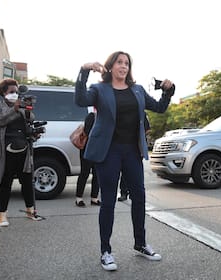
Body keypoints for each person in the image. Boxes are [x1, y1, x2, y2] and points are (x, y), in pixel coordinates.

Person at [75, 51, 175, 271]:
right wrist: (84, 71)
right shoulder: (99, 89)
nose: (123, 66)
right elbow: (80, 99)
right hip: (108, 151)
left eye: (127, 63)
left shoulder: (137, 90)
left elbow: (159, 107)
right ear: (110, 66)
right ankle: (106, 252)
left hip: (132, 151)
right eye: (119, 62)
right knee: (108, 201)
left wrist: (168, 91)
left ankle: (140, 244)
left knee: (139, 196)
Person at [0, 78, 43, 227]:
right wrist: (15, 109)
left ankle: (30, 211)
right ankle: (2, 215)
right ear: (3, 92)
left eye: (16, 92)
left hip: (24, 148)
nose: (14, 94)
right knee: (6, 182)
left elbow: (30, 121)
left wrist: (28, 114)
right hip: (4, 149)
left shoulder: (21, 107)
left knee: (27, 181)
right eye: (11, 92)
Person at [118, 113, 151, 202]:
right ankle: (125, 192)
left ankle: (128, 193)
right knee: (126, 172)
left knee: (132, 174)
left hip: (136, 147)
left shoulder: (141, 113)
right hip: (125, 146)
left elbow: (147, 130)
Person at [75, 111, 100, 207]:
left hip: (98, 150)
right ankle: (79, 198)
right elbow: (87, 131)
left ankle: (94, 198)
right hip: (87, 149)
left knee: (97, 174)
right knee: (84, 173)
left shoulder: (103, 117)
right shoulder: (92, 116)